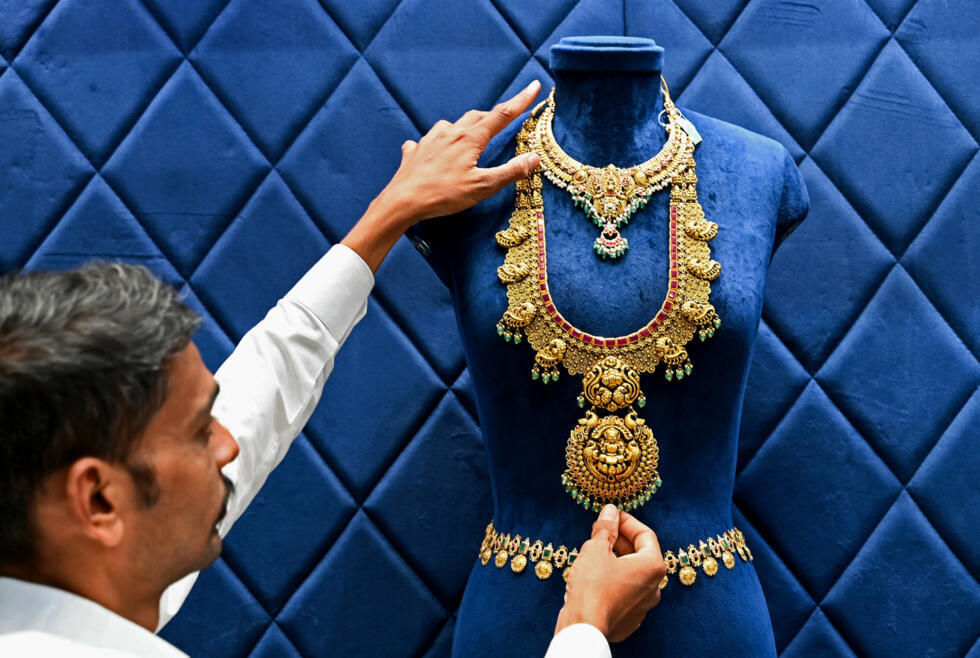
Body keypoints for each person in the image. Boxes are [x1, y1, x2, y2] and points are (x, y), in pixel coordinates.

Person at [0, 80, 666, 657]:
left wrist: (387, 216)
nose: (229, 445)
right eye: (201, 430)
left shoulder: (75, 576)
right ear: (98, 499)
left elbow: (259, 392)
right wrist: (583, 629)